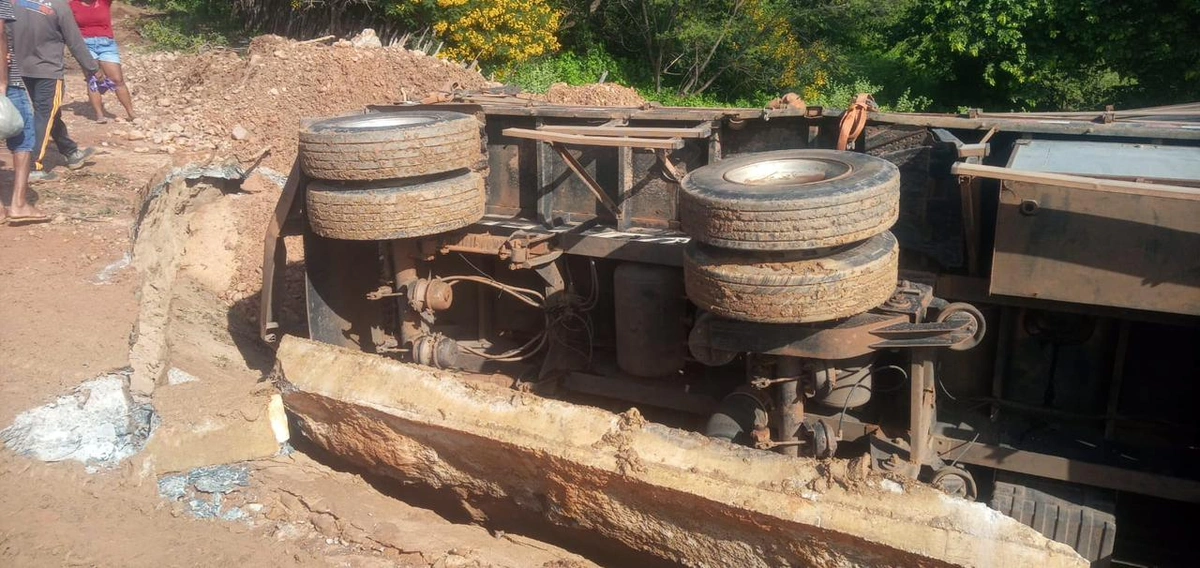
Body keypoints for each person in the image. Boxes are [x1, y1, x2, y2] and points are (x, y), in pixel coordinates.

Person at [12, 0, 102, 182]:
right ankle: (33, 166)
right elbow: (75, 41)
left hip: (22, 67)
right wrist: (92, 68)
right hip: (48, 70)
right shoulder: (59, 6)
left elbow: (5, 32)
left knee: (50, 111)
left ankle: (71, 152)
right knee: (44, 115)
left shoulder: (14, 3)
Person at [0, 1, 46, 223]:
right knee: (24, 138)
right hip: (8, 82)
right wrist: (3, 81)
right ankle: (18, 204)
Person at [69, 0, 133, 123]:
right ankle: (99, 115)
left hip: (107, 44)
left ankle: (131, 113)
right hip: (85, 45)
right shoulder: (73, 5)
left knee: (117, 80)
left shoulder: (104, 2)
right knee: (92, 80)